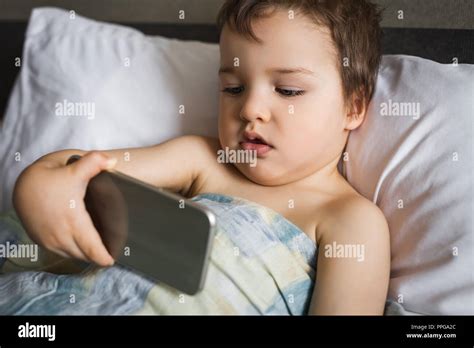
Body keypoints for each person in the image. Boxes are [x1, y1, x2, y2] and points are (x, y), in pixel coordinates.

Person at [13, 0, 390, 314]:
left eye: (288, 91)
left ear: (353, 106)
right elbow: (79, 168)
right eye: (234, 88)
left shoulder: (351, 221)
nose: (250, 108)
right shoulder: (205, 160)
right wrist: (38, 186)